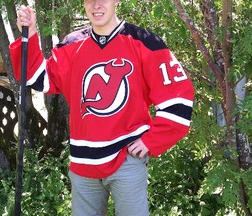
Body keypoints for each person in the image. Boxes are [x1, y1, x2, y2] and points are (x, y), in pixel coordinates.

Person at [10, 0, 194, 215]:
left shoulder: (144, 42)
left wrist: (151, 140)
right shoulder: (71, 44)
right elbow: (38, 78)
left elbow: (178, 98)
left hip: (126, 159)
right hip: (83, 163)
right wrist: (30, 34)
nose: (97, 5)